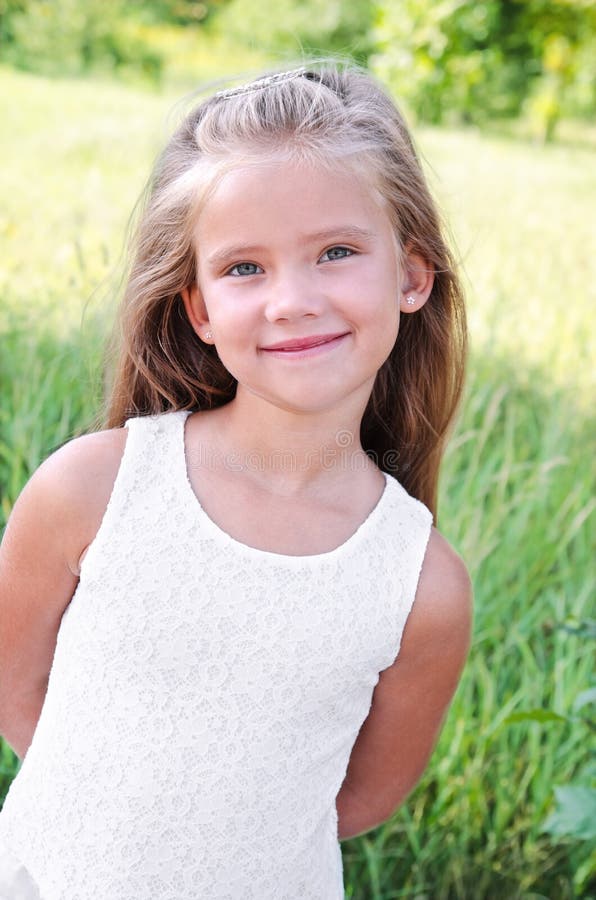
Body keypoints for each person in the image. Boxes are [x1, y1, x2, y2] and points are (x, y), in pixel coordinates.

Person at [0, 63, 472, 899]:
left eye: (336, 252)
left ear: (410, 276)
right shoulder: (94, 490)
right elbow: (15, 689)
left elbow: (358, 799)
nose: (291, 300)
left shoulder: (421, 584)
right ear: (200, 309)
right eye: (245, 268)